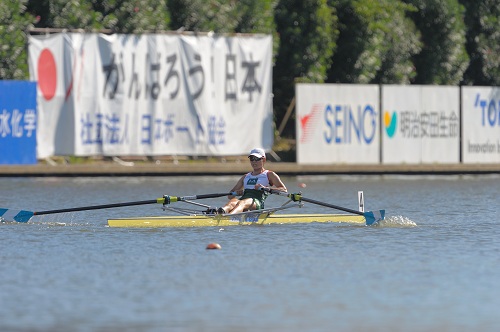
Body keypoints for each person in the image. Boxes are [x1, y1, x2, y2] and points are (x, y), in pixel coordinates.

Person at [217, 148, 287, 214]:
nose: (254, 161)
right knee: (232, 202)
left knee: (241, 203)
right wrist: (236, 193)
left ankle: (228, 218)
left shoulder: (269, 174)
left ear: (264, 160)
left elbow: (284, 190)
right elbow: (230, 196)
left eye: (257, 159)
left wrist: (266, 188)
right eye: (252, 159)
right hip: (243, 201)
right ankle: (220, 213)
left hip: (257, 203)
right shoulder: (246, 176)